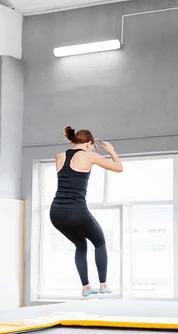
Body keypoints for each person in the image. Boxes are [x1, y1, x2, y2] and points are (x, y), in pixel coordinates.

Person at [50, 126, 123, 297]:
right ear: (89, 143)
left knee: (80, 244)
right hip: (76, 210)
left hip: (55, 213)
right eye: (92, 145)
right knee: (99, 242)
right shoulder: (89, 155)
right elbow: (118, 167)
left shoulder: (59, 156)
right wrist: (112, 152)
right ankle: (103, 284)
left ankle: (86, 287)